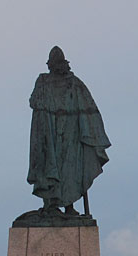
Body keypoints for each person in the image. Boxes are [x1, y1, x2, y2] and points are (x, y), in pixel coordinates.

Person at [28, 46, 111, 217]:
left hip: (71, 132)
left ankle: (69, 206)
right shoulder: (43, 81)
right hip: (49, 132)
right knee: (49, 168)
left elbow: (88, 108)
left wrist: (86, 129)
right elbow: (34, 102)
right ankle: (50, 205)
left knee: (70, 170)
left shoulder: (75, 83)